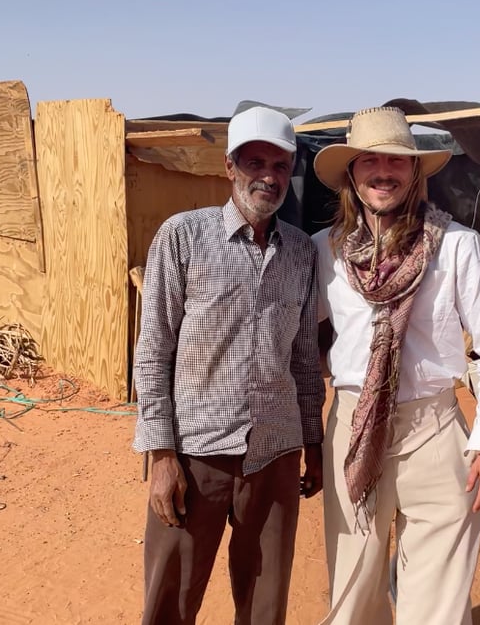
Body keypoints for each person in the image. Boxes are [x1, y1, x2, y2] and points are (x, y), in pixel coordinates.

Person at [311, 106, 480, 625]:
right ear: (351, 174)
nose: (383, 171)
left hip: (435, 428)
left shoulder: (458, 247)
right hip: (353, 430)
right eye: (370, 160)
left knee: (438, 603)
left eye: (396, 160)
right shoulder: (323, 253)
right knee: (353, 594)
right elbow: (297, 340)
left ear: (414, 171)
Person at [132, 106, 325, 625]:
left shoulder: (300, 251)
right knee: (170, 603)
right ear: (229, 167)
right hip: (196, 455)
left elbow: (304, 359)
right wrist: (161, 455)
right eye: (254, 162)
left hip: (276, 453)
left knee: (265, 606)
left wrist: (313, 442)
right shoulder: (183, 237)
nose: (268, 176)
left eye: (280, 165)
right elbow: (153, 351)